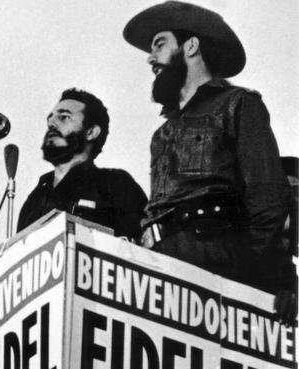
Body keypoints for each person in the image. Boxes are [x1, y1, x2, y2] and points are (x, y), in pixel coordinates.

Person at [123, 1, 295, 322]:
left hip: (215, 262)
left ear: (191, 45)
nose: (150, 57)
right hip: (159, 267)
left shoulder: (239, 104)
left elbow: (269, 198)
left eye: (160, 43)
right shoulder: (161, 135)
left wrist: (246, 273)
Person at [17, 88, 147, 242]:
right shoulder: (36, 197)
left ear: (91, 132)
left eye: (64, 117)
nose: (52, 123)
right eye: (50, 119)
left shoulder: (116, 184)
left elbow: (144, 249)